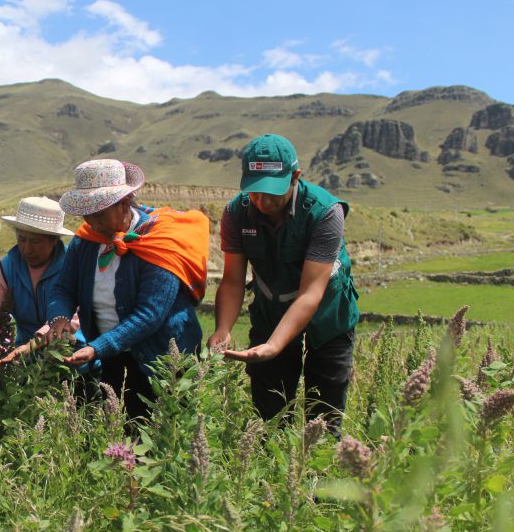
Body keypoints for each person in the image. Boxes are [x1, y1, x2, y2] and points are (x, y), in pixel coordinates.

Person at [207, 133, 359, 429]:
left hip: (327, 311)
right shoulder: (236, 213)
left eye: (272, 192)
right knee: (269, 411)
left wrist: (274, 345)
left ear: (295, 177)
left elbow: (310, 293)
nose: (262, 202)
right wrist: (222, 329)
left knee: (324, 411)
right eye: (254, 192)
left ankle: (319, 470)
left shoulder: (326, 212)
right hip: (271, 309)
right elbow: (233, 280)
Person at [44, 159, 210, 421]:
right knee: (126, 433)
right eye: (86, 213)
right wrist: (59, 317)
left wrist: (98, 347)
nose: (90, 221)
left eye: (98, 213)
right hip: (113, 355)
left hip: (165, 359)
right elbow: (63, 288)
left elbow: (150, 314)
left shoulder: (160, 242)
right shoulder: (86, 241)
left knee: (172, 432)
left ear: (123, 203)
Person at [0, 197, 75, 370]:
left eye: (35, 242)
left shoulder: (71, 266)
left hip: (71, 359)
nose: (26, 249)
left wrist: (31, 346)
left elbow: (69, 319)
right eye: (22, 239)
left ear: (54, 240)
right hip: (26, 361)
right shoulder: (8, 267)